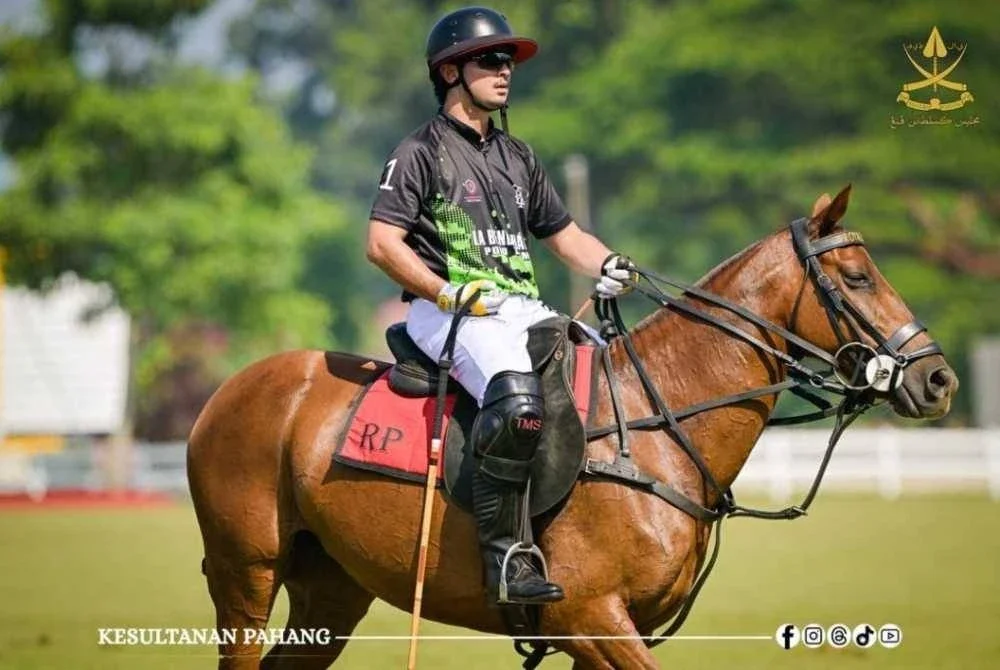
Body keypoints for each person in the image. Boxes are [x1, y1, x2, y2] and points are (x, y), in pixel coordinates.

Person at [366, 6, 637, 606]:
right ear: (450, 72)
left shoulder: (518, 156)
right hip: (447, 311)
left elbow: (566, 237)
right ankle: (506, 557)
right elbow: (382, 244)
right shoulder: (418, 152)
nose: (504, 70)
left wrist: (610, 263)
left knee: (609, 375)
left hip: (517, 308)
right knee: (517, 401)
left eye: (508, 61)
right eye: (490, 60)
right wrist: (443, 291)